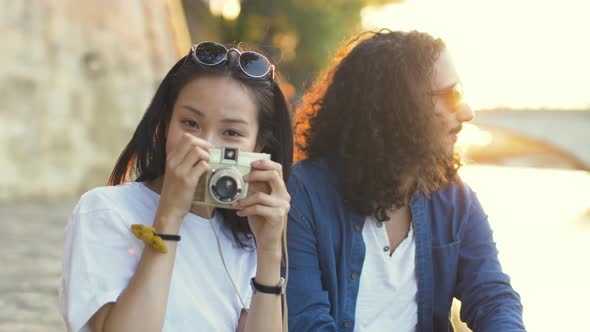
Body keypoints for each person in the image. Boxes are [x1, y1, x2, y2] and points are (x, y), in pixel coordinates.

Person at [286, 30, 525, 331]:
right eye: (450, 96)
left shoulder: (456, 200)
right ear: (398, 107)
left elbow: (493, 298)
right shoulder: (303, 193)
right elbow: (307, 322)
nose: (467, 112)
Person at [59, 41, 293, 332]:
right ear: (165, 124)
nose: (204, 145)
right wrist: (169, 217)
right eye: (190, 123)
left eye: (231, 132)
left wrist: (270, 252)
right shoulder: (105, 212)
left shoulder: (243, 240)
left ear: (258, 146)